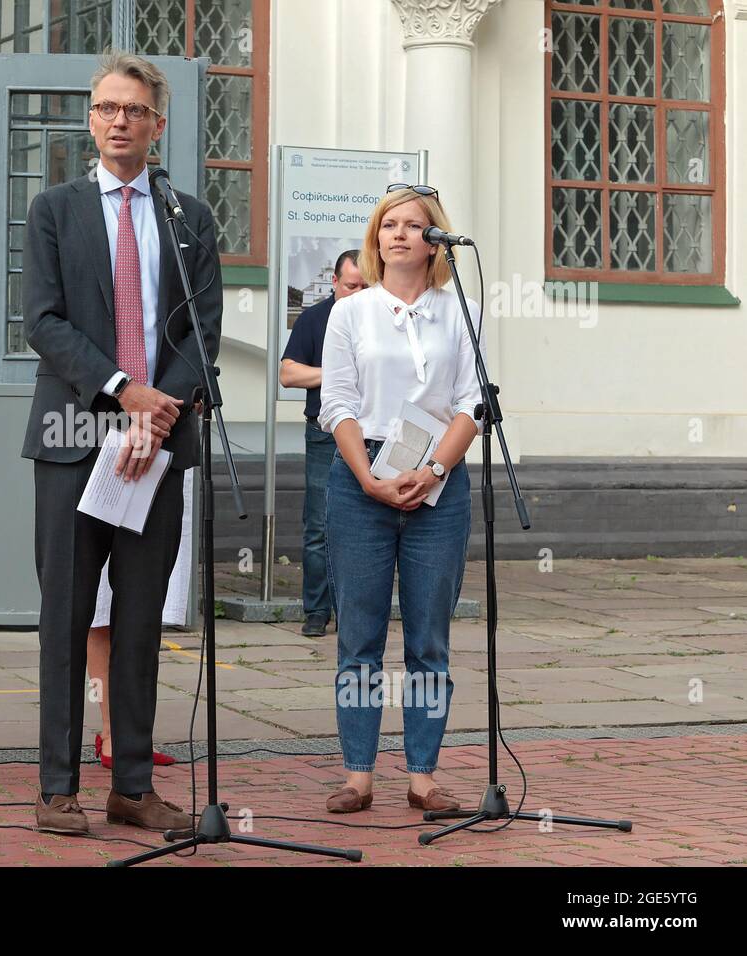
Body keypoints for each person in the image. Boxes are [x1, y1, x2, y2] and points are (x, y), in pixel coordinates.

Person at [22, 52, 222, 834]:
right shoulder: (56, 210)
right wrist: (122, 392)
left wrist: (158, 411)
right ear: (91, 119)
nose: (117, 121)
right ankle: (56, 787)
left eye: (133, 110)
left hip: (159, 441)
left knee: (140, 618)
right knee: (68, 617)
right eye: (106, 108)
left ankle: (132, 785)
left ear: (156, 125)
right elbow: (43, 321)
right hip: (77, 438)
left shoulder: (188, 217)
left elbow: (201, 327)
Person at [317, 184, 481, 814]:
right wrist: (367, 478)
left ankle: (423, 776)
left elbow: (472, 401)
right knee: (359, 635)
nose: (400, 234)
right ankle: (358, 773)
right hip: (363, 476)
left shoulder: (457, 308)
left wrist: (436, 468)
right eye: (389, 225)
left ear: (435, 237)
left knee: (428, 638)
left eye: (415, 225)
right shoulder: (350, 314)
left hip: (439, 474)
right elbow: (338, 404)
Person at [280, 249, 366, 637]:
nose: (359, 292)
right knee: (318, 525)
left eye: (366, 285)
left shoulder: (381, 317)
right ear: (334, 282)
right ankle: (316, 610)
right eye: (351, 286)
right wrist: (336, 372)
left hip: (371, 432)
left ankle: (357, 610)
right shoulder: (315, 318)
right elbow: (288, 373)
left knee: (367, 527)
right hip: (325, 433)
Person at [86, 467, 192, 769]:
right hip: (106, 456)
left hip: (163, 462)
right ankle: (109, 732)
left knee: (144, 607)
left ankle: (135, 735)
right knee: (100, 610)